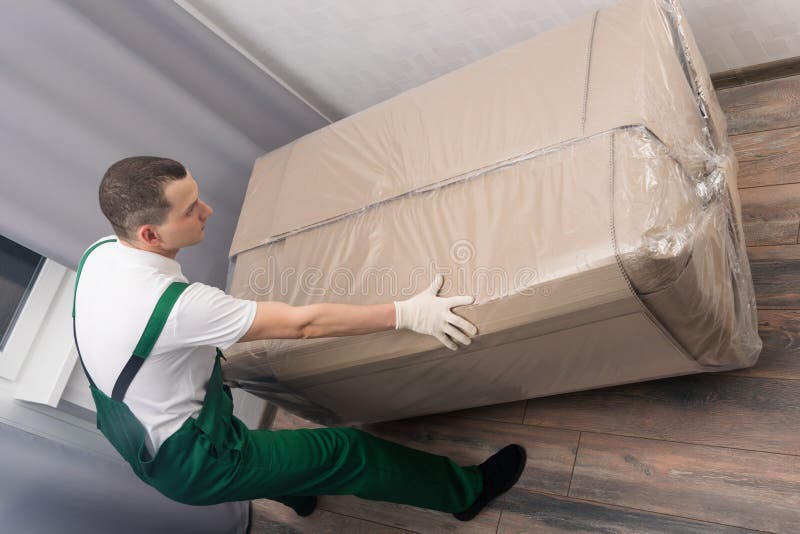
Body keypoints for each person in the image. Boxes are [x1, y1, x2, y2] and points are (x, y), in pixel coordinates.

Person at [72, 156, 526, 525]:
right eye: (190, 209)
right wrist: (408, 314)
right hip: (196, 462)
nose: (207, 210)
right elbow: (303, 324)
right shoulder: (175, 307)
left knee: (277, 458)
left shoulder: (103, 252)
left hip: (139, 429)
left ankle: (297, 491)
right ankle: (465, 493)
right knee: (347, 452)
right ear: (150, 234)